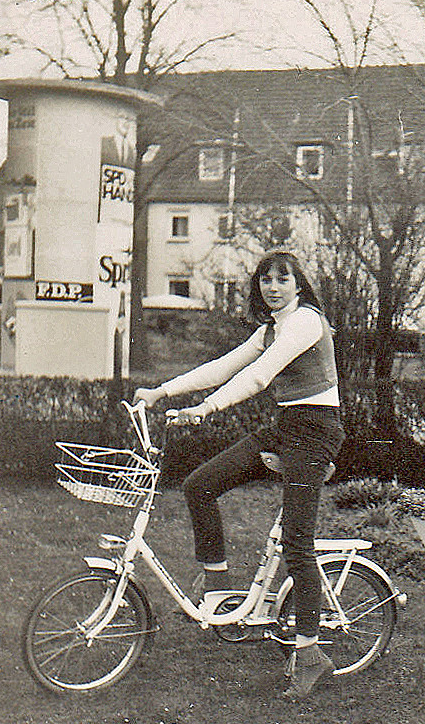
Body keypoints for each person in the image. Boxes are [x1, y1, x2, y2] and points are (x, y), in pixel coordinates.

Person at [134, 249, 345, 699]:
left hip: (315, 433)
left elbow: (259, 377)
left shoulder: (306, 322)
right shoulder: (269, 329)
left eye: (283, 279)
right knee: (200, 485)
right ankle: (219, 590)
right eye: (266, 280)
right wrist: (160, 392)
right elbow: (223, 367)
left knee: (297, 545)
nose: (273, 287)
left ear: (299, 285)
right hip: (286, 427)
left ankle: (310, 655)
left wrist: (207, 408)